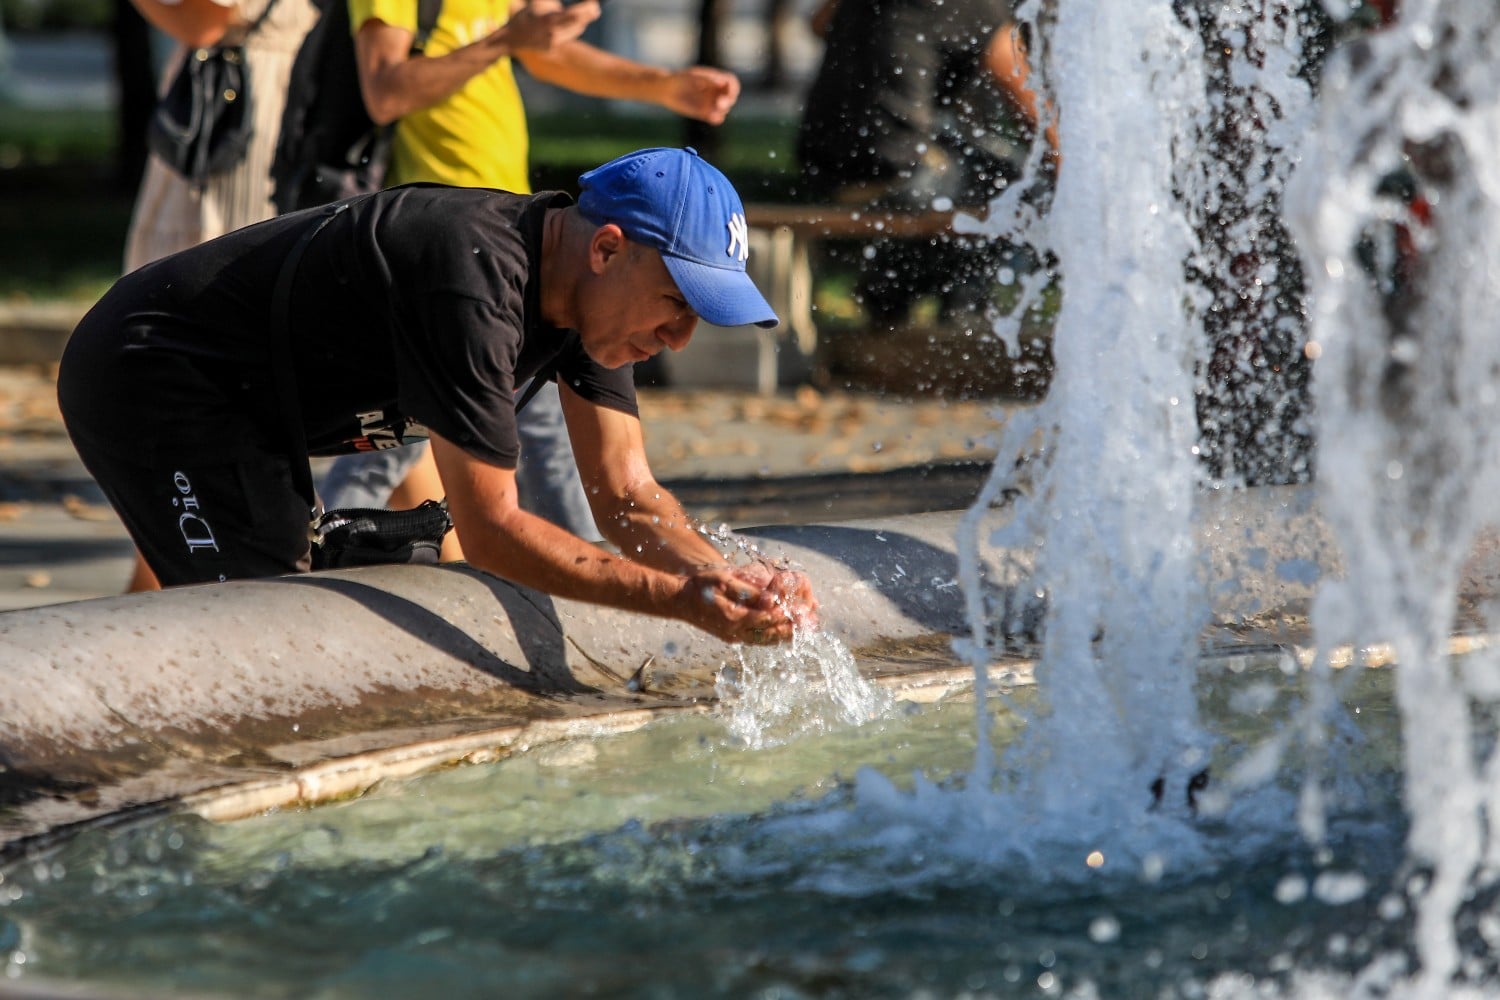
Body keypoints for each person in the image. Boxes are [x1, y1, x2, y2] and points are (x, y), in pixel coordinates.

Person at [57, 147, 818, 646]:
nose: (679, 338)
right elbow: (494, 534)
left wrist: (727, 580)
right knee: (259, 627)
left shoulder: (589, 305)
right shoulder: (472, 279)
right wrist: (679, 601)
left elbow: (627, 496)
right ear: (607, 248)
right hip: (156, 372)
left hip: (259, 402)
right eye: (677, 302)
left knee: (298, 608)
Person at [319, 0, 745, 553]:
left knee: (545, 448)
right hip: (443, 253)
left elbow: (546, 53)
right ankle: (318, 559)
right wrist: (503, 39)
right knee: (397, 442)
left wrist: (663, 86)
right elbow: (386, 91)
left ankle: (577, 576)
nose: (680, 336)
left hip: (523, 243)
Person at [121, 0, 321, 592]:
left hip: (238, 134)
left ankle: (153, 595)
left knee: (180, 346)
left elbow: (204, 19)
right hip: (263, 117)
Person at [796, 0, 1053, 328]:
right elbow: (1030, 105)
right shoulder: (979, 6)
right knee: (1018, 184)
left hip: (824, 162)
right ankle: (962, 309)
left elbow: (818, 25)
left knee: (959, 163)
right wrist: (1067, 171)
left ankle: (892, 293)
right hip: (898, 169)